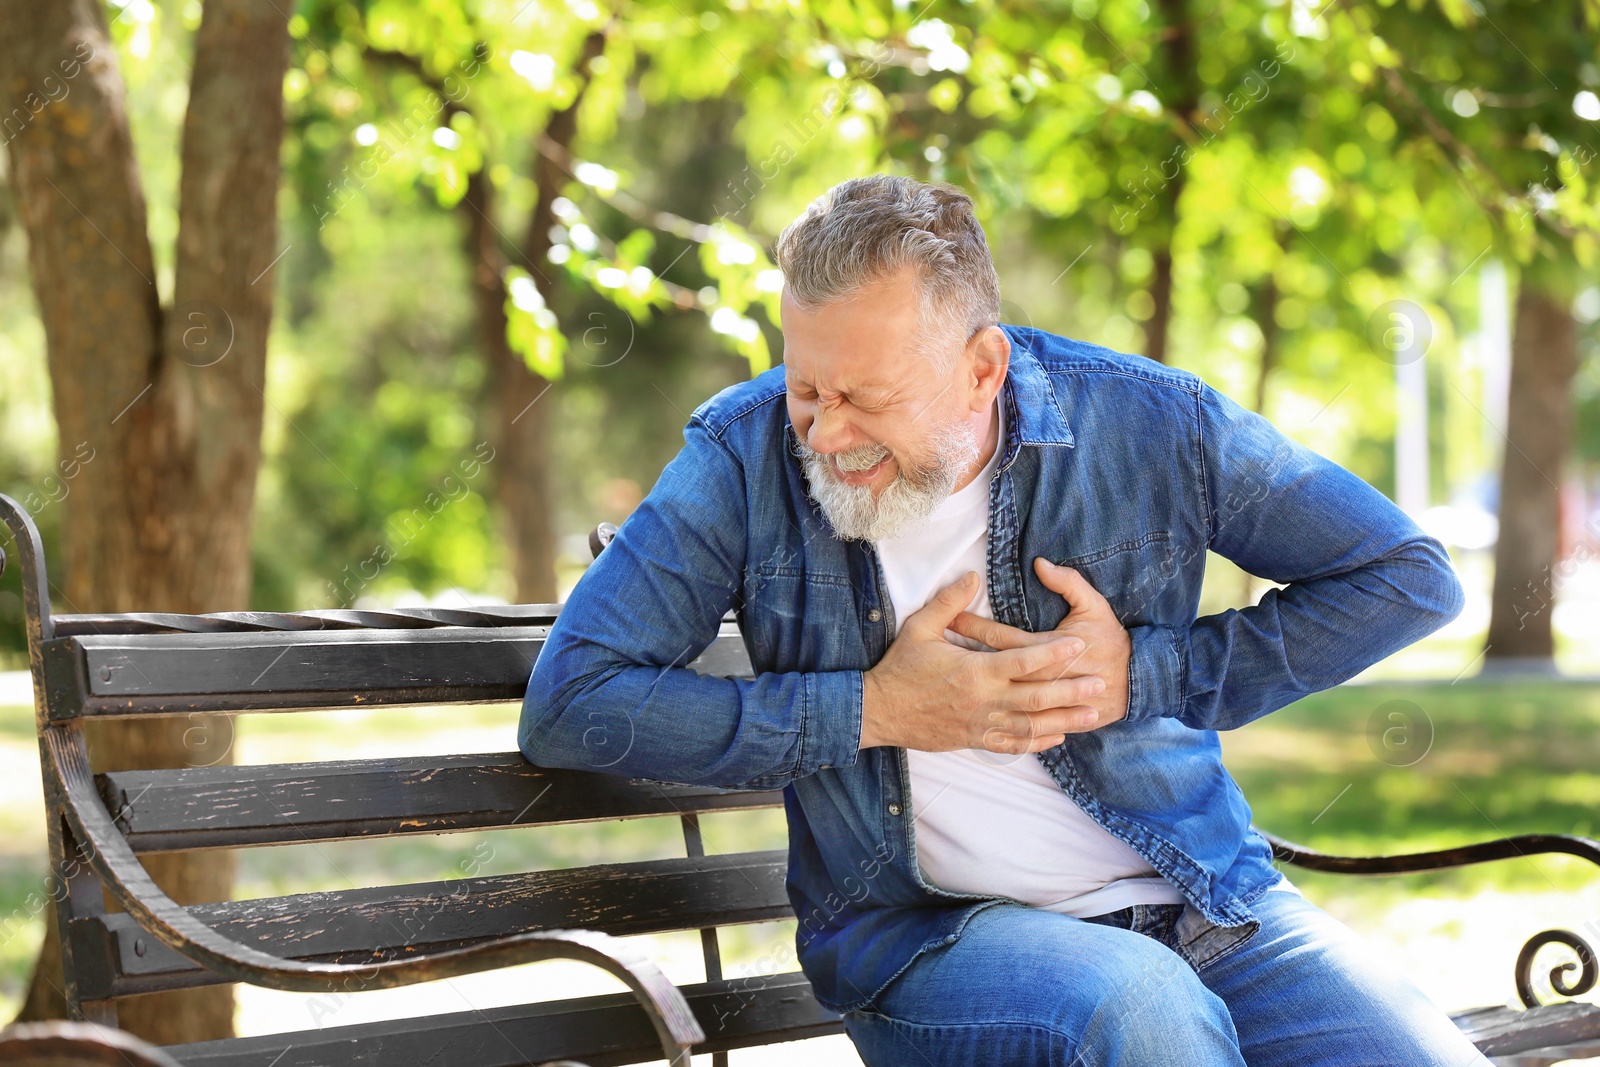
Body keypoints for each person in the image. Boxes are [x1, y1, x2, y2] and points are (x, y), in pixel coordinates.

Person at [519, 174, 1491, 1066]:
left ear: (983, 368)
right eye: (806, 386)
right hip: (928, 941)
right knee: (1138, 1004)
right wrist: (873, 708)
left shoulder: (1154, 423)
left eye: (866, 396)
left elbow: (1405, 576)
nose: (824, 430)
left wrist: (1142, 674)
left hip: (1202, 900)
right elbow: (573, 700)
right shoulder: (740, 455)